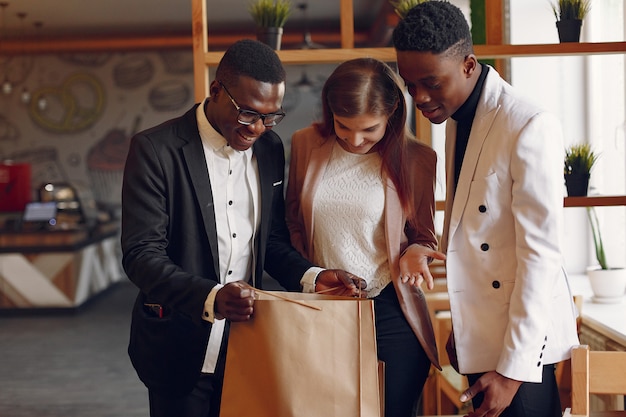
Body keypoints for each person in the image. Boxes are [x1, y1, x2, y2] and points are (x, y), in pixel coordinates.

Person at [121, 39, 364, 417]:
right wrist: (212, 297)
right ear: (217, 90)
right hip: (179, 345)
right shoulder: (155, 150)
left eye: (271, 117)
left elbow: (272, 242)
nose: (258, 128)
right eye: (248, 113)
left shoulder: (269, 149)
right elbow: (141, 255)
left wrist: (314, 277)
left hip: (250, 345)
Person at [392, 3, 580, 417]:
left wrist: (513, 371)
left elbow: (541, 256)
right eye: (410, 85)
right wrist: (467, 328)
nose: (419, 98)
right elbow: (473, 237)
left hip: (525, 355)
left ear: (468, 65)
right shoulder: (458, 118)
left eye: (431, 83)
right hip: (483, 341)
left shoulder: (528, 123)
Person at [285, 57, 445, 417]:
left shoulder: (417, 159)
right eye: (344, 126)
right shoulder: (305, 144)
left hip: (390, 307)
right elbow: (293, 223)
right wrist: (311, 279)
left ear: (391, 114)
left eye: (369, 129)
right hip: (323, 306)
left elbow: (423, 234)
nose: (355, 140)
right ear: (330, 112)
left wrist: (415, 252)